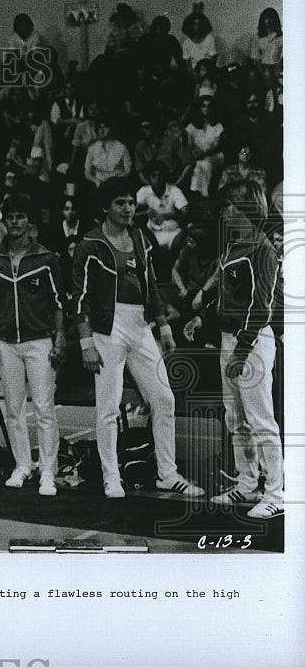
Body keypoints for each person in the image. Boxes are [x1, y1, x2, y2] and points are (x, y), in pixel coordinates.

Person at [71, 177, 204, 499]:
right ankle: (111, 476)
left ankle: (167, 474)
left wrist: (164, 327)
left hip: (140, 325)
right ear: (105, 207)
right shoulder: (90, 244)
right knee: (108, 407)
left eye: (131, 202)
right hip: (107, 328)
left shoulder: (141, 238)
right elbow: (79, 298)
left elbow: (152, 286)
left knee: (164, 399)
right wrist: (86, 342)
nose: (128, 208)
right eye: (120, 203)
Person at [183, 180, 283, 519]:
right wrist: (201, 320)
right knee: (236, 419)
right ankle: (246, 482)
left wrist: (242, 348)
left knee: (261, 420)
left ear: (248, 209)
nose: (225, 212)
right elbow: (224, 298)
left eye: (231, 206)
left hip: (252, 342)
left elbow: (262, 306)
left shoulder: (262, 249)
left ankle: (276, 492)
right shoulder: (233, 247)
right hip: (229, 339)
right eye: (225, 206)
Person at [0, 193, 65, 496]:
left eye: (20, 217)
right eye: (10, 216)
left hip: (39, 341)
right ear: (4, 220)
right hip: (6, 343)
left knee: (43, 408)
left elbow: (57, 302)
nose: (14, 222)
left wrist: (61, 336)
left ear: (29, 222)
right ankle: (22, 465)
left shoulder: (45, 258)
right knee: (13, 408)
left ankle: (48, 471)